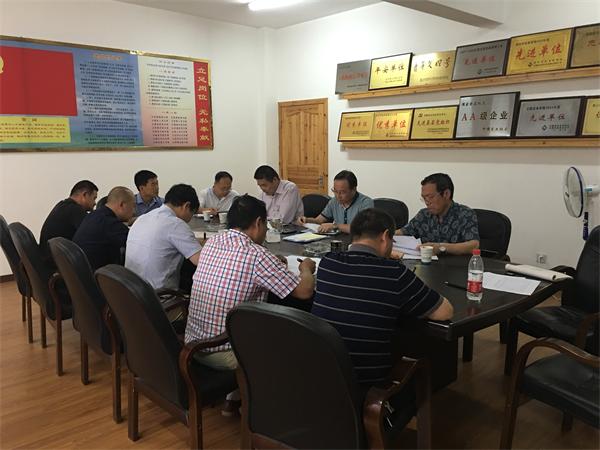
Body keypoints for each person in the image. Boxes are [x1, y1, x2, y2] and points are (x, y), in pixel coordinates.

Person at [312, 208, 453, 387]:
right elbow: (445, 312)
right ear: (385, 237)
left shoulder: (328, 262)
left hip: (321, 377)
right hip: (366, 387)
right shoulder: (395, 273)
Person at [125, 184, 202, 292]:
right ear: (186, 206)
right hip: (158, 295)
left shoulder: (143, 218)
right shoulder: (176, 224)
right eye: (192, 213)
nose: (189, 219)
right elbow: (201, 261)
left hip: (131, 291)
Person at [397, 173, 479, 256]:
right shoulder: (423, 215)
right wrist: (389, 235)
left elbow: (474, 245)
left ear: (446, 194)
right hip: (427, 262)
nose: (427, 202)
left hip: (455, 263)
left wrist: (441, 247)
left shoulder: (465, 214)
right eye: (424, 198)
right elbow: (403, 232)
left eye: (430, 197)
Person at [73, 187, 135, 271]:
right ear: (122, 205)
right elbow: (136, 244)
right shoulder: (110, 223)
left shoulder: (94, 215)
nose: (134, 211)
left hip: (80, 271)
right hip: (97, 275)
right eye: (133, 206)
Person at [39, 180, 98, 266]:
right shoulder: (75, 210)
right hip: (57, 263)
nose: (95, 203)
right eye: (94, 198)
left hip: (47, 258)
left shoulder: (62, 205)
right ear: (85, 195)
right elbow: (93, 234)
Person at [300, 170, 373, 234]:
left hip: (357, 242)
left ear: (354, 189)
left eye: (342, 192)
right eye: (335, 191)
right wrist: (306, 220)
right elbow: (319, 220)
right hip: (337, 241)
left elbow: (362, 229)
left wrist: (335, 226)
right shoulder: (334, 201)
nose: (338, 196)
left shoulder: (365, 203)